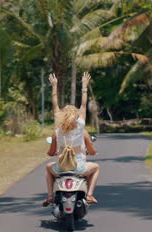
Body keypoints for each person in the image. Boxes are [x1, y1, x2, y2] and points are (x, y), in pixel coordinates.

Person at [42, 73, 100, 207]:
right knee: (96, 167)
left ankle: (50, 195)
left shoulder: (58, 130)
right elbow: (84, 104)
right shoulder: (80, 127)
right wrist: (84, 85)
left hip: (61, 168)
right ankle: (90, 194)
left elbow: (55, 106)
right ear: (76, 116)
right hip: (79, 167)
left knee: (48, 167)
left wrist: (54, 86)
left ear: (62, 117)